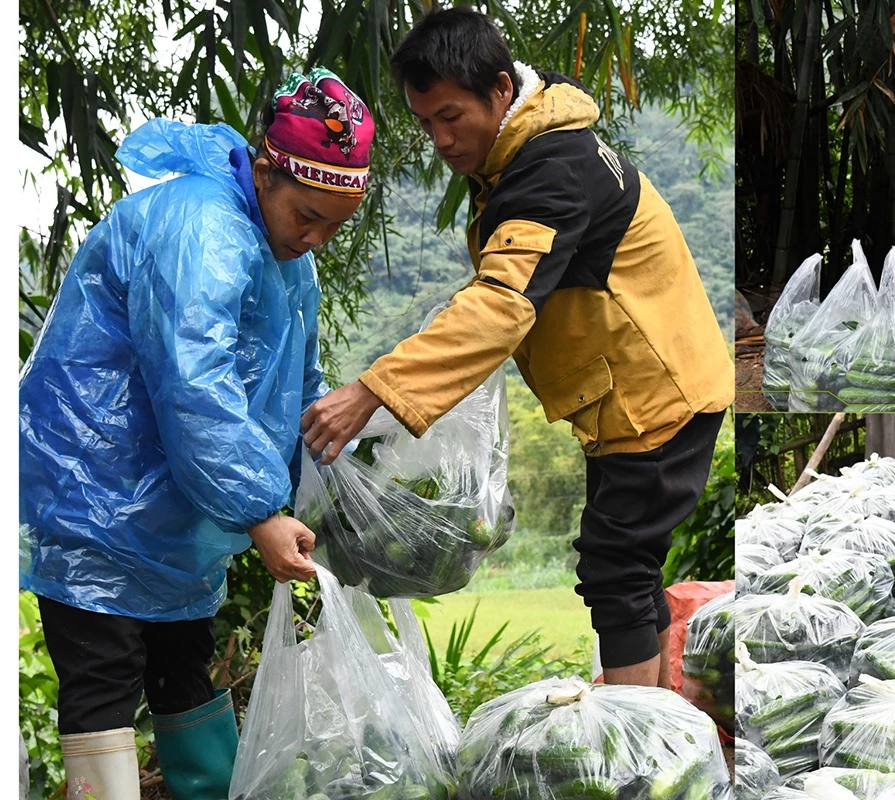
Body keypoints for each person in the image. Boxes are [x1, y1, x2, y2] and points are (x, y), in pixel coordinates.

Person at [301, 8, 733, 689]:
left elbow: (503, 304)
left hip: (656, 395)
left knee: (614, 566)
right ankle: (656, 727)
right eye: (425, 123)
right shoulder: (528, 154)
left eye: (451, 116)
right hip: (637, 392)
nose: (440, 140)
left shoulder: (549, 170)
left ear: (501, 90)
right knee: (627, 567)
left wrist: (373, 392)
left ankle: (639, 747)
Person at [19, 69, 374, 800]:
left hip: (174, 519)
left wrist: (350, 481)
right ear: (267, 169)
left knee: (185, 666)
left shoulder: (287, 257)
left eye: (334, 226)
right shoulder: (200, 224)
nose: (315, 238)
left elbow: (293, 384)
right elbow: (194, 384)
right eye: (308, 215)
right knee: (104, 681)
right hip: (99, 503)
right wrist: (258, 511)